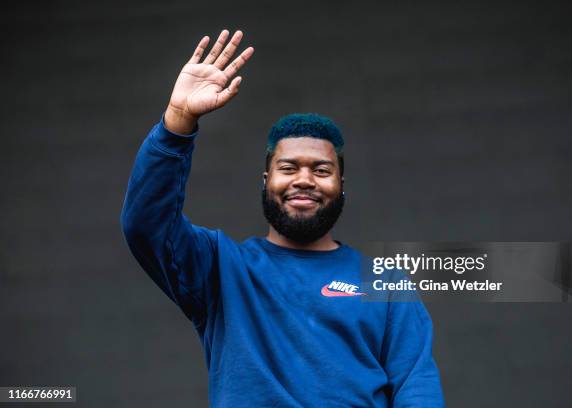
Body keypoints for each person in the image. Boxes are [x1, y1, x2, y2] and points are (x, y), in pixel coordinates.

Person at [120, 29, 444, 407]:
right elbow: (145, 224)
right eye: (288, 167)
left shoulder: (385, 284)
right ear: (266, 180)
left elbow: (417, 388)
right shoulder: (222, 269)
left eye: (321, 171)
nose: (304, 180)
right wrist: (177, 121)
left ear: (341, 186)